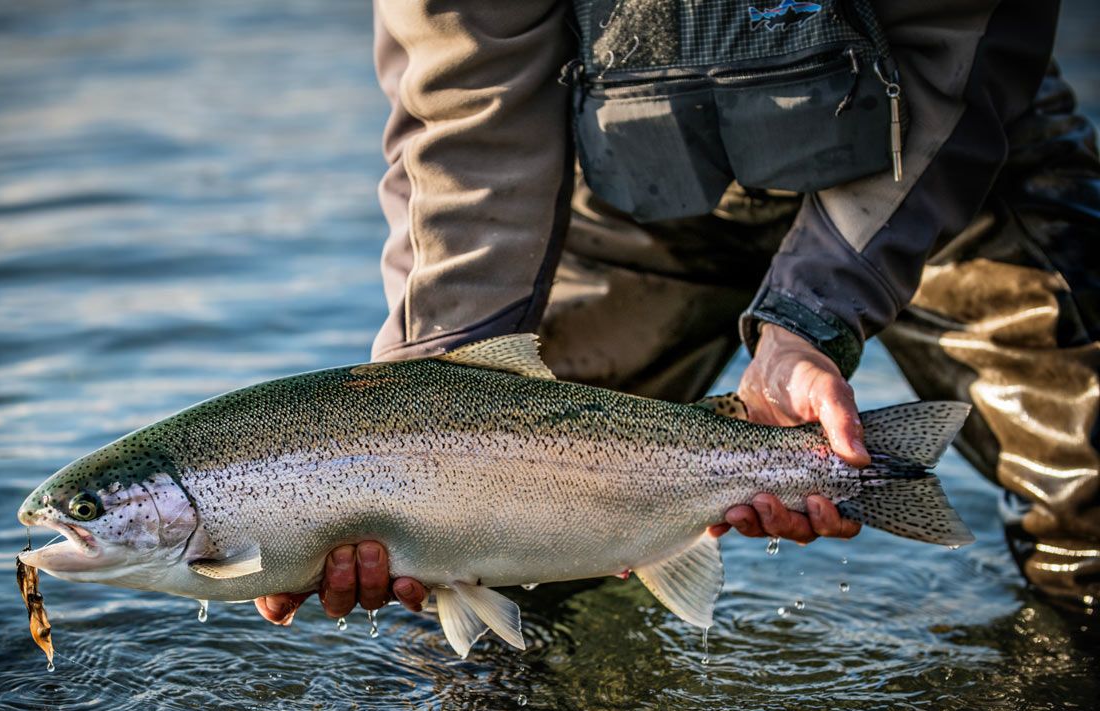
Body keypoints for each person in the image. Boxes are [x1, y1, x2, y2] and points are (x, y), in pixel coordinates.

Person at [257, 0, 1100, 628]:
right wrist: (433, 389)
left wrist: (811, 317)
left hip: (931, 163)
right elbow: (469, 107)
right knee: (478, 549)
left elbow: (959, 54)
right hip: (622, 194)